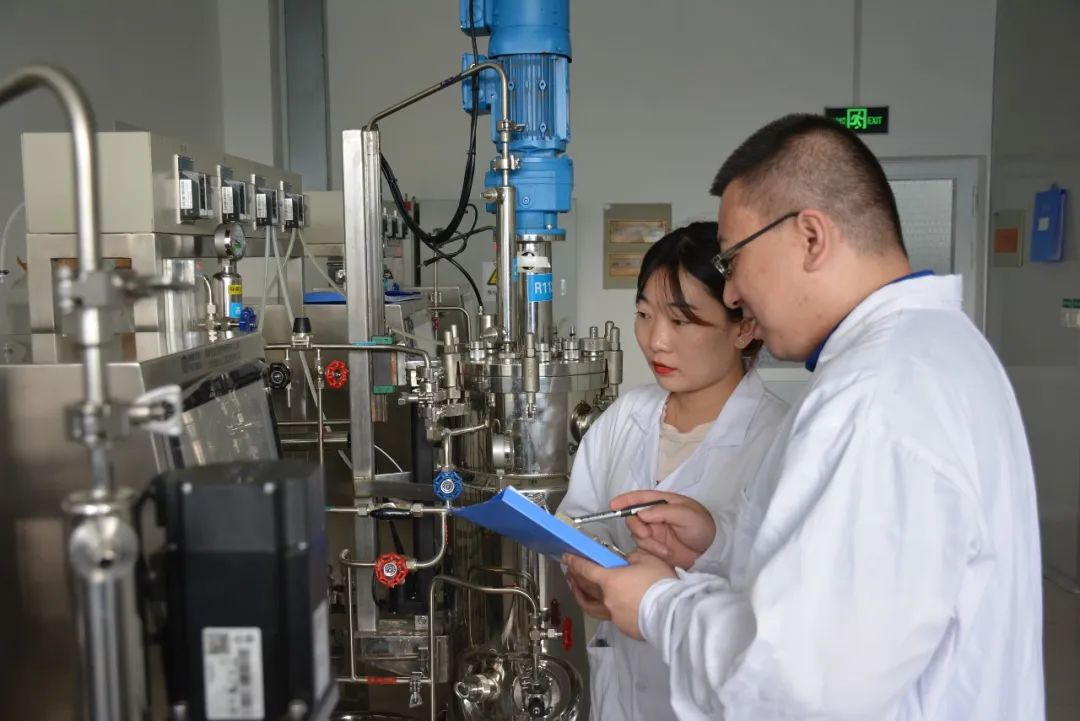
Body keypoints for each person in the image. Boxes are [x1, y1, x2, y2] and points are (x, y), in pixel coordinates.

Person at [563, 114, 1045, 721]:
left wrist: (658, 604)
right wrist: (718, 543)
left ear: (811, 238)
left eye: (735, 260)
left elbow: (799, 682)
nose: (733, 294)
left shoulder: (875, 396)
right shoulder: (935, 352)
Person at [557, 222, 788, 721]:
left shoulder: (779, 437)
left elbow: (784, 591)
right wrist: (583, 570)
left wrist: (712, 542)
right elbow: (576, 517)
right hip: (619, 694)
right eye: (644, 315)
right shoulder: (626, 415)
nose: (656, 341)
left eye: (682, 321)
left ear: (744, 326)